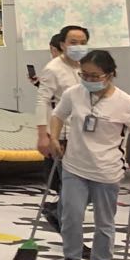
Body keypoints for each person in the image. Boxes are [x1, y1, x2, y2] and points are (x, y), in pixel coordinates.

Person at [48, 50, 130, 260]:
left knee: (104, 221)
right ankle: (71, 258)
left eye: (95, 76)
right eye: (84, 75)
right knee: (71, 215)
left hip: (107, 170)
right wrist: (53, 138)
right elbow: (57, 116)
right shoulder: (74, 93)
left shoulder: (125, 102)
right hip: (74, 166)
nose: (88, 80)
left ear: (110, 74)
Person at [36, 24, 90, 234]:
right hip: (63, 135)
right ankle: (72, 238)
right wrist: (43, 135)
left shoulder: (88, 66)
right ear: (63, 44)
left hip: (87, 134)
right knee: (72, 187)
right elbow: (42, 101)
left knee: (90, 188)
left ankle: (56, 211)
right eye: (73, 42)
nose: (78, 46)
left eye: (83, 43)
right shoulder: (53, 69)